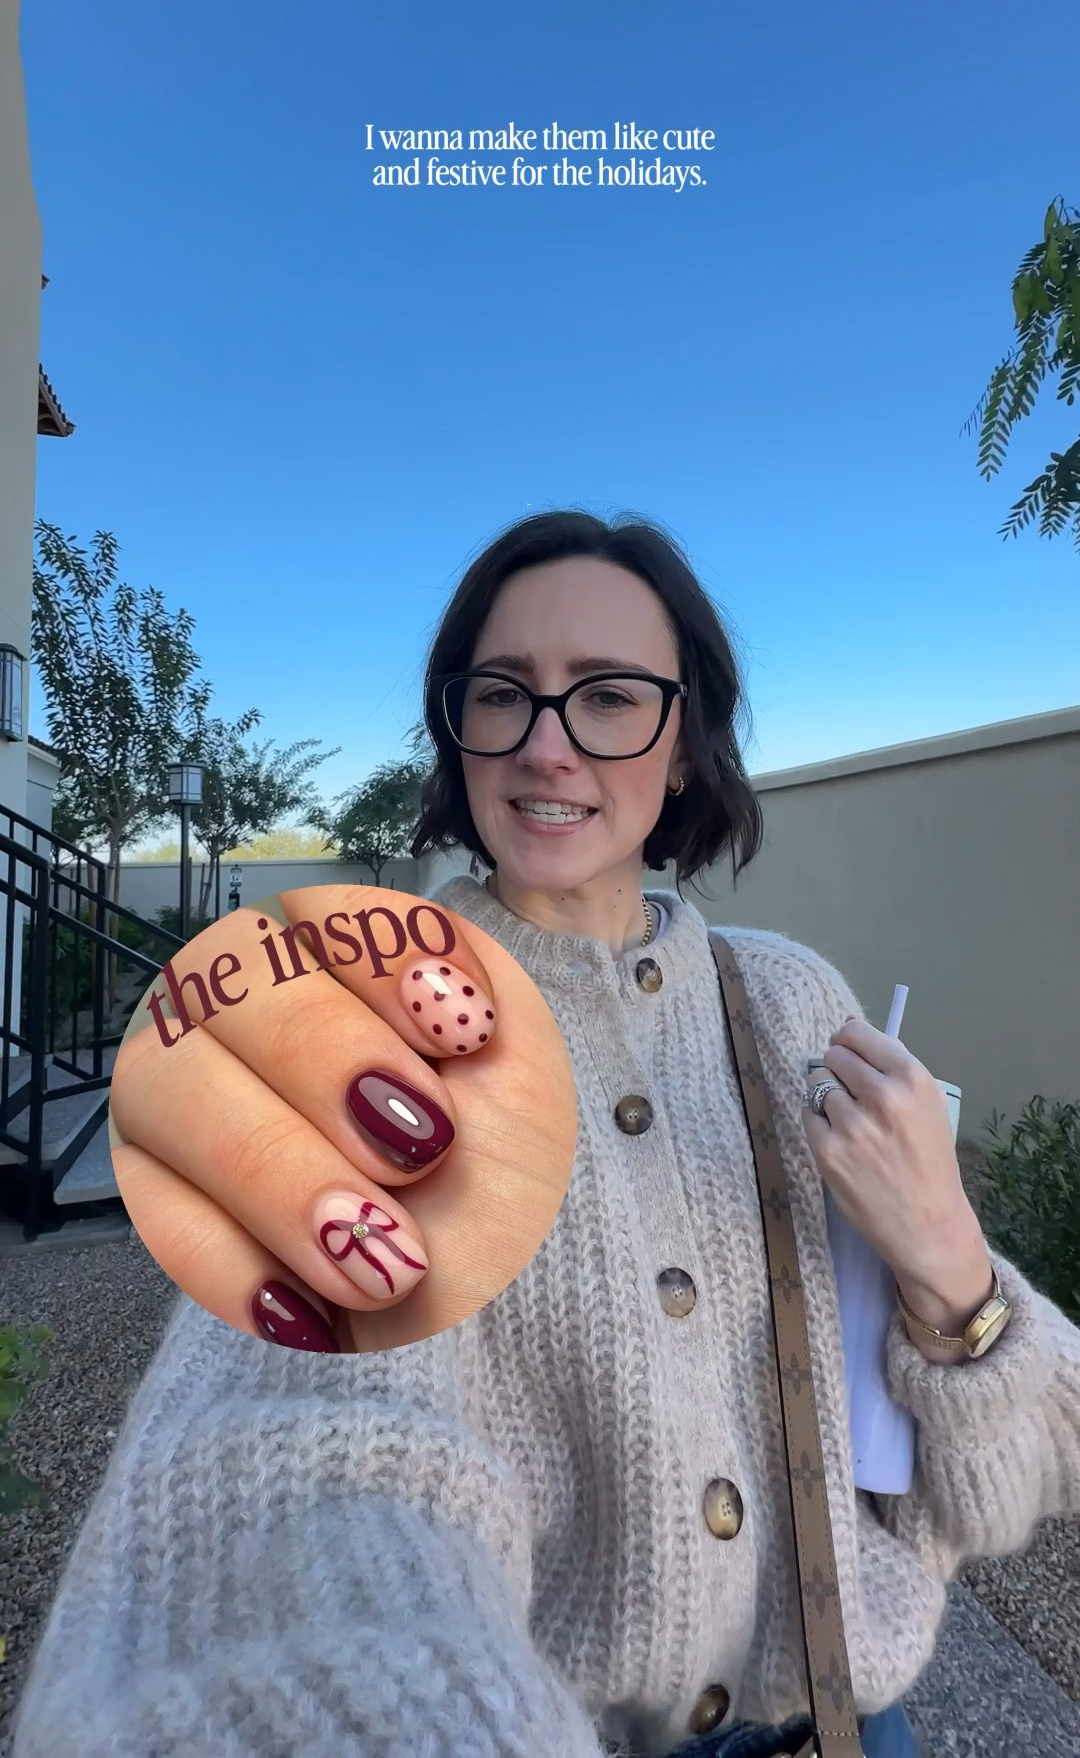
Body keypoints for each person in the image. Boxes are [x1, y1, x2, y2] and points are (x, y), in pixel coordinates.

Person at [12, 510, 1080, 1758]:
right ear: (455, 732)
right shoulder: (365, 1039)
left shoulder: (792, 1004)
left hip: (854, 1728)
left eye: (611, 698)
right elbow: (308, 1474)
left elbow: (1017, 1481)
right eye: (504, 694)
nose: (548, 747)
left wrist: (946, 1251)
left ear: (684, 746)